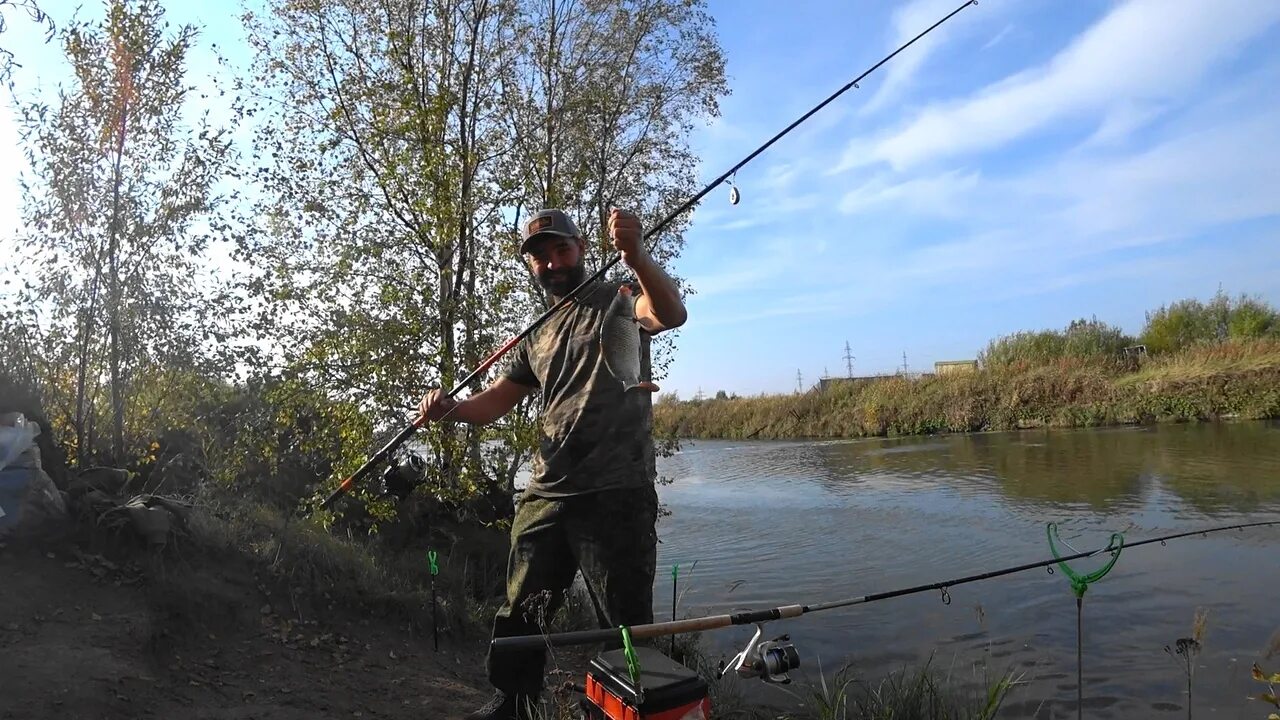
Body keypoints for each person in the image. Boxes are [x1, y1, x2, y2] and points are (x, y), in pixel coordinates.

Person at [419, 207, 687, 720]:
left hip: (616, 490)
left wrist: (635, 256)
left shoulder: (618, 299)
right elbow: (496, 401)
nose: (552, 262)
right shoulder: (537, 332)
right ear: (531, 265)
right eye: (540, 256)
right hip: (546, 491)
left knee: (625, 621)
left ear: (581, 248)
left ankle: (630, 708)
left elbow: (669, 313)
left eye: (561, 250)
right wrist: (450, 409)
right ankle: (514, 701)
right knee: (519, 609)